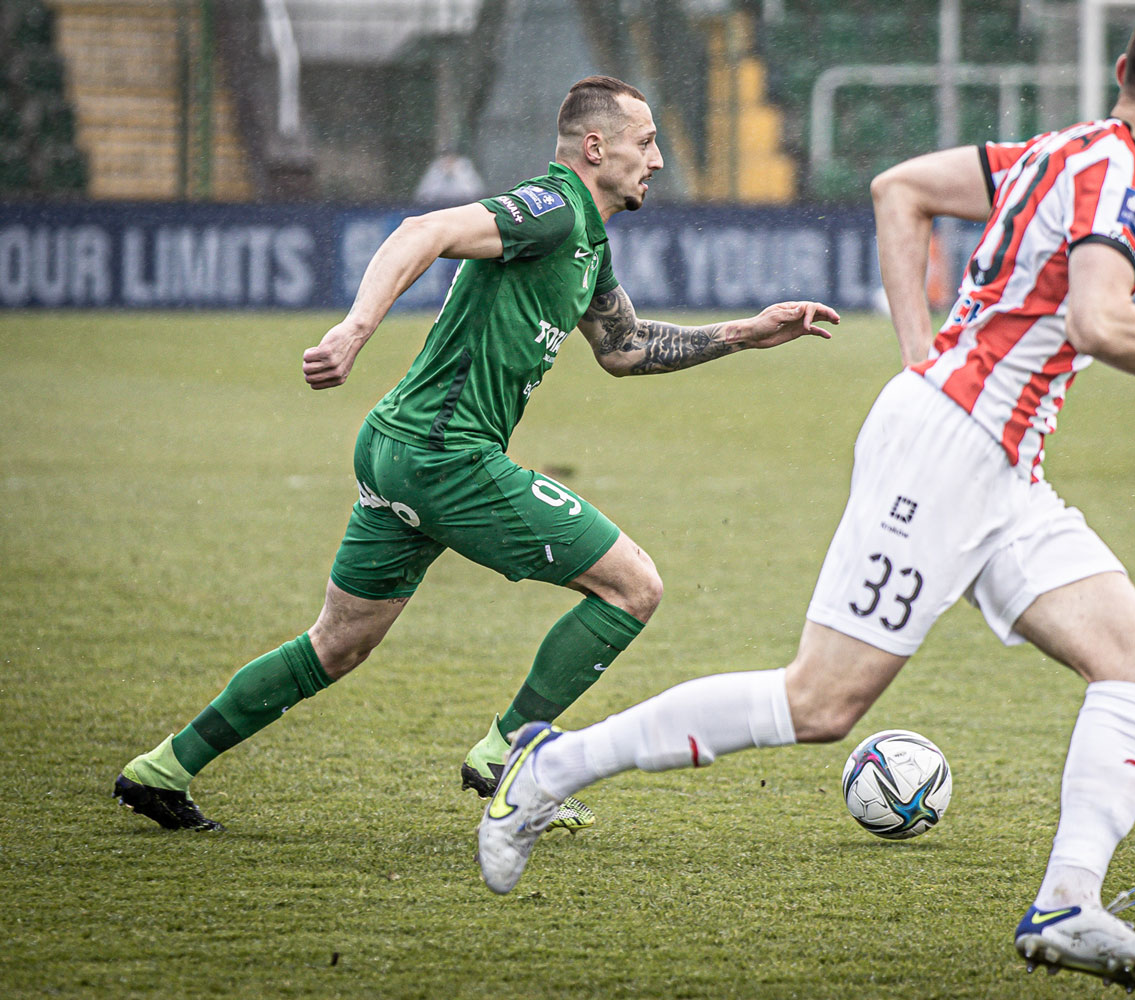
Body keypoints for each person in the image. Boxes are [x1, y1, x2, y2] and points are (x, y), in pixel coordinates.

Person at [476, 6, 1135, 991]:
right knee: (819, 703)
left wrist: (921, 359)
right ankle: (543, 772)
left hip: (995, 465)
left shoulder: (1058, 150)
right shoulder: (1128, 181)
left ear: (1121, 69)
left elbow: (898, 189)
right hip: (951, 452)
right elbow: (1099, 319)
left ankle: (1070, 902)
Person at [112, 75, 839, 835]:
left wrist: (745, 334)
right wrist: (354, 331)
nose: (655, 160)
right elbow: (420, 233)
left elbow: (623, 349)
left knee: (336, 644)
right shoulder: (552, 209)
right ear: (597, 148)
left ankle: (162, 769)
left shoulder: (587, 238)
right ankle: (508, 756)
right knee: (633, 587)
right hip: (445, 457)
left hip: (398, 448)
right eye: (645, 142)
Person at [413, 148, 488, 206]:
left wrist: (457, 173)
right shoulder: (436, 169)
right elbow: (424, 196)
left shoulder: (465, 168)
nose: (448, 163)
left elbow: (474, 194)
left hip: (462, 208)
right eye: (446, 160)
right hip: (437, 208)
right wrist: (441, 174)